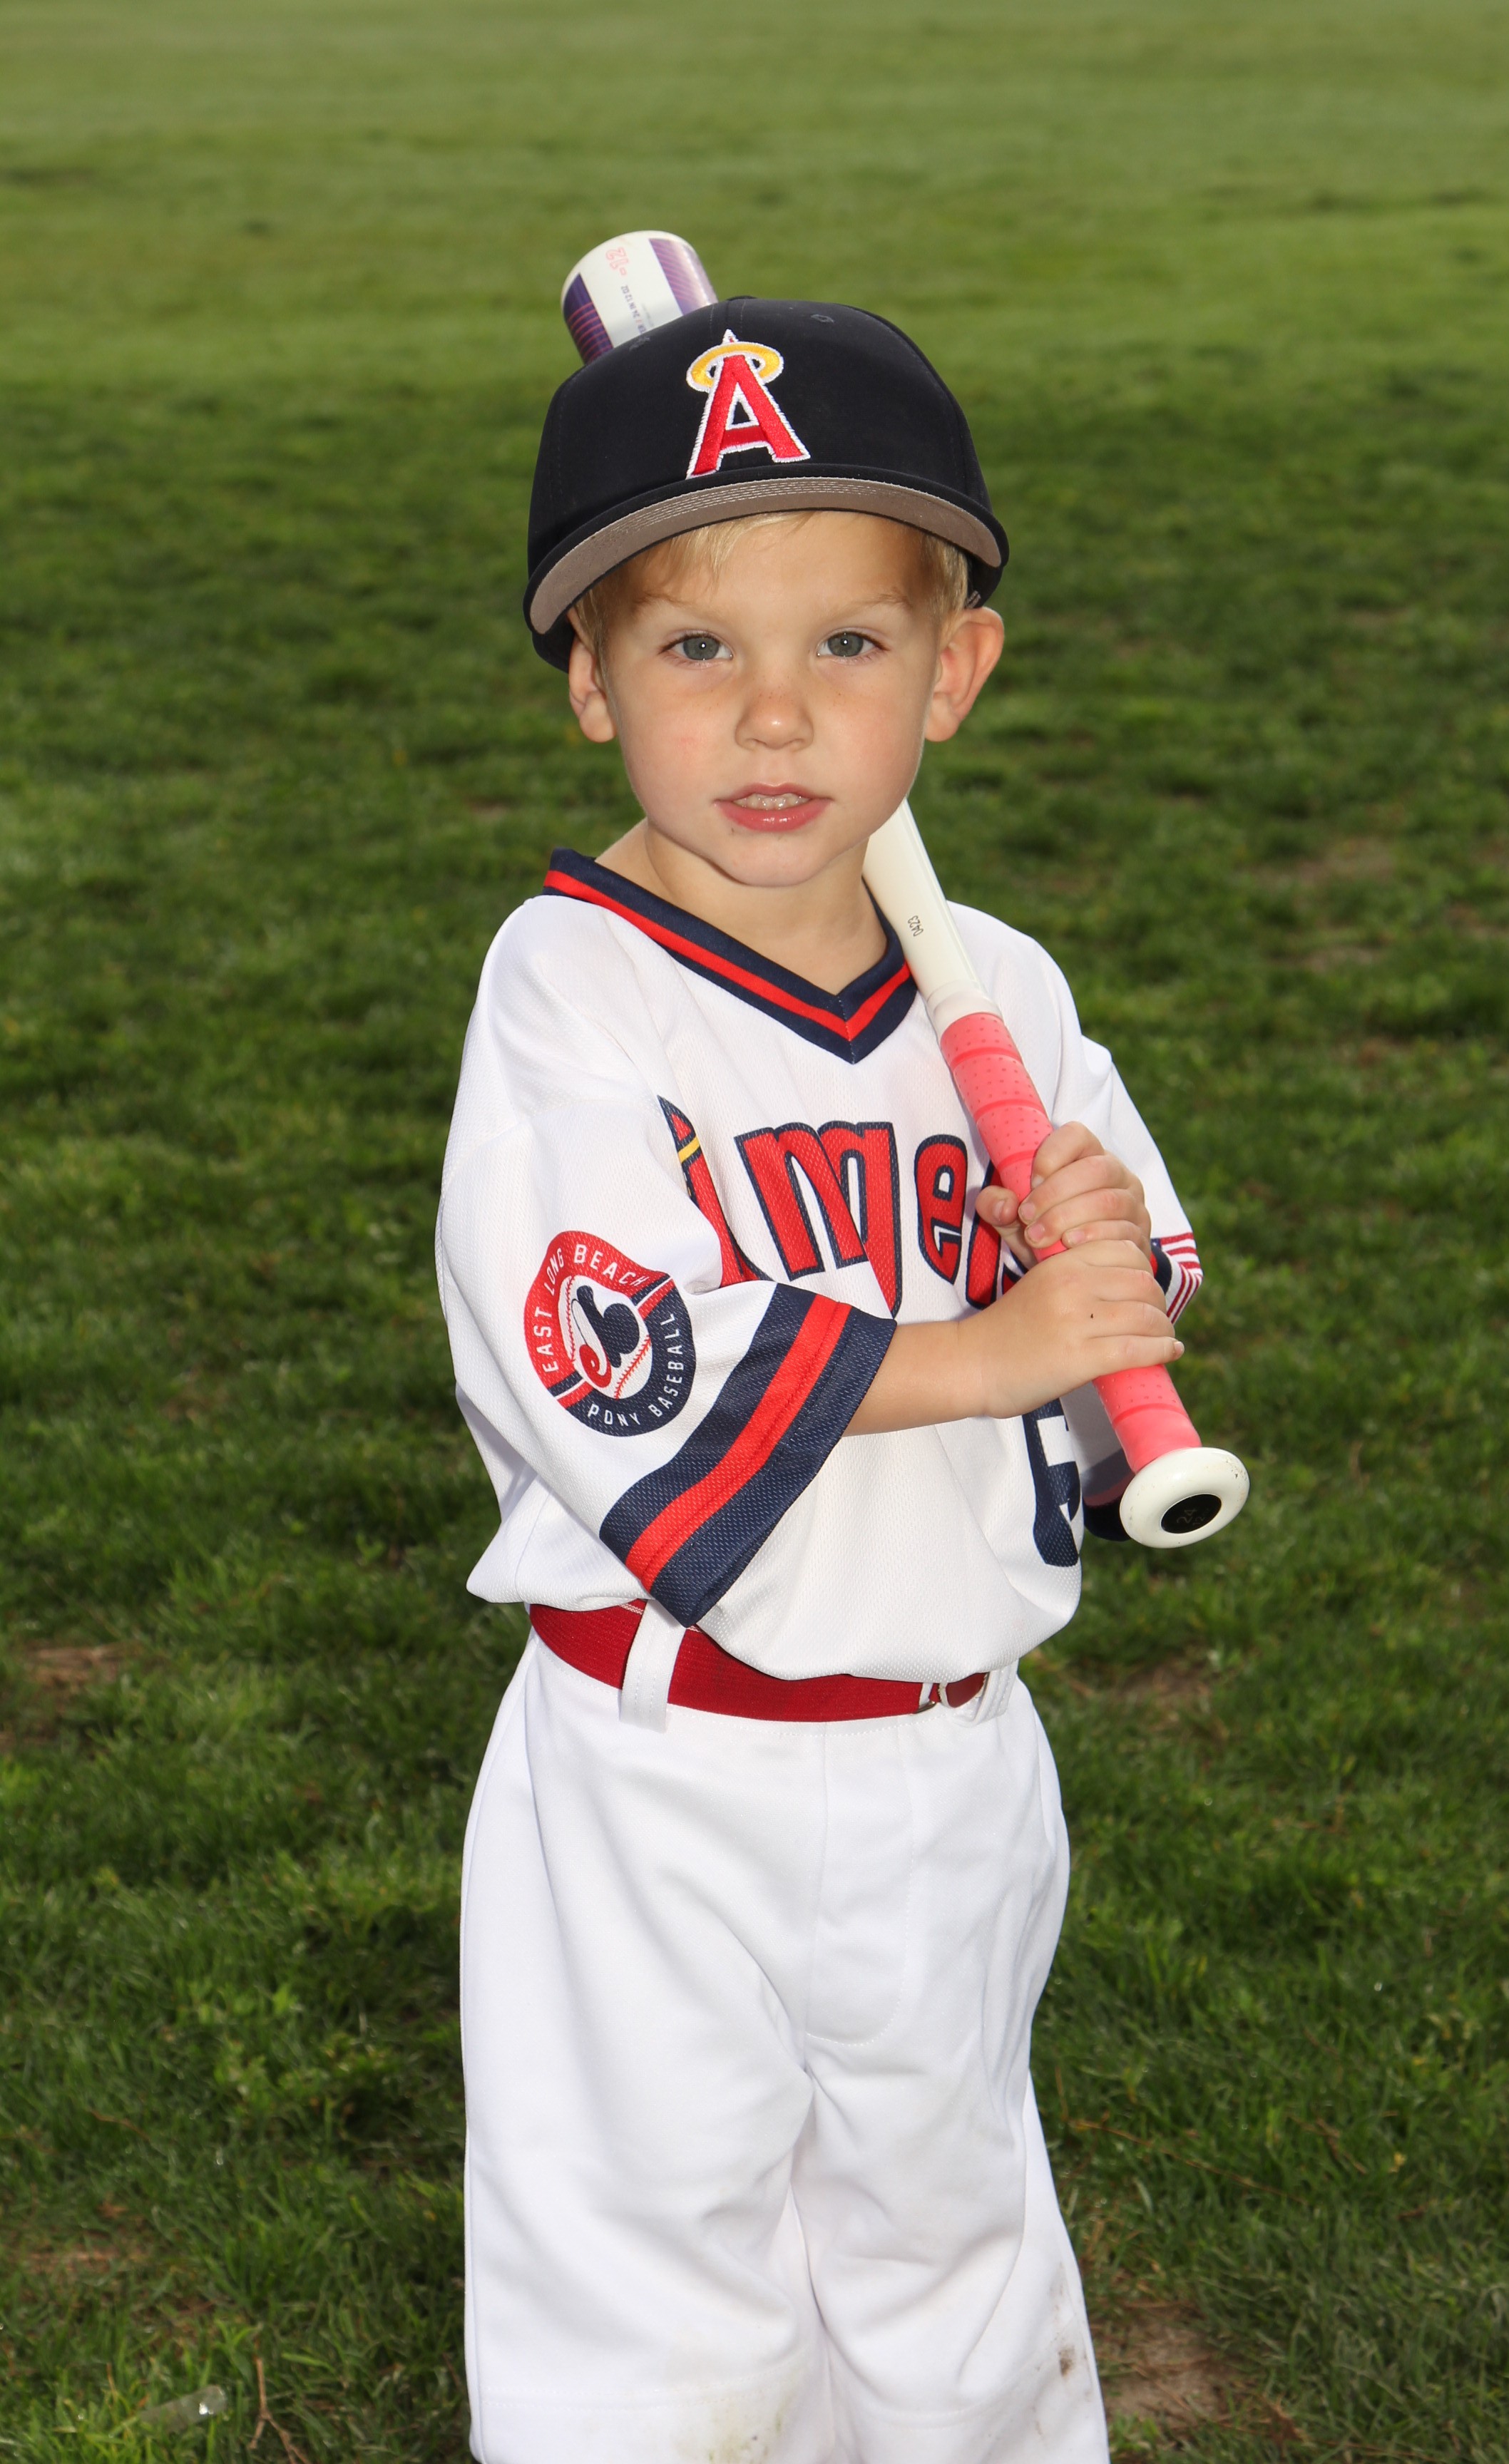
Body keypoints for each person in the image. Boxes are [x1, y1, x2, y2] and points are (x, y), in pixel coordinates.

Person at [438, 297, 1204, 2464]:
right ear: (591, 682)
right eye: (696, 649)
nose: (775, 716)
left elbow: (1125, 1301)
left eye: (850, 646)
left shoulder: (1001, 987)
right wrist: (991, 1347)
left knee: (955, 2261)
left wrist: (1093, 1257)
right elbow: (612, 1346)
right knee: (653, 2300)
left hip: (956, 1759)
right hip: (663, 1777)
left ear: (954, 673)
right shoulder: (573, 986)